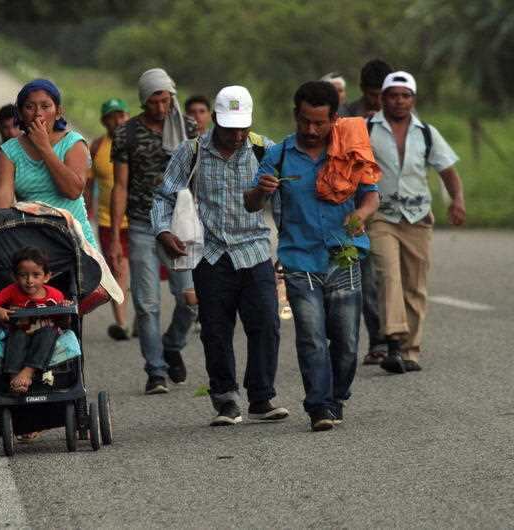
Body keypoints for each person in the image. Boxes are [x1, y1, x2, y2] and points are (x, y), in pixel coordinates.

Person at [247, 81, 381, 432]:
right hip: (299, 260)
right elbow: (251, 204)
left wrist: (360, 215)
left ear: (334, 119)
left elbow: (371, 195)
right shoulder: (278, 155)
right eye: (304, 121)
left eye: (319, 123)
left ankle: (336, 397)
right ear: (296, 115)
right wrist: (260, 191)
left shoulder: (349, 150)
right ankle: (318, 405)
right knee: (311, 336)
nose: (310, 129)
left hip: (343, 256)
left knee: (347, 341)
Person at [152, 85, 289, 426]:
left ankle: (261, 396)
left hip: (254, 250)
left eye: (243, 127)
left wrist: (287, 248)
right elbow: (165, 196)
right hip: (210, 255)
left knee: (266, 323)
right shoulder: (192, 151)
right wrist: (163, 231)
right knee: (215, 330)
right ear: (214, 119)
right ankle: (226, 399)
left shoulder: (265, 150)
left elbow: (284, 202)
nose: (237, 135)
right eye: (229, 128)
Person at [368, 71, 466, 374]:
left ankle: (410, 351)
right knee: (388, 276)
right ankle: (393, 342)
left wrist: (457, 201)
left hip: (417, 217)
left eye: (405, 96)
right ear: (383, 98)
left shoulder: (426, 133)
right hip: (381, 215)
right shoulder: (367, 128)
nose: (399, 101)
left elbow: (447, 171)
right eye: (393, 95)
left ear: (413, 99)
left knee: (415, 284)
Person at [108, 68, 198, 394]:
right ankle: (156, 370)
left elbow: (199, 175)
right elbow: (120, 186)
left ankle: (172, 344)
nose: (161, 108)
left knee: (190, 299)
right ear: (143, 101)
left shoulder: (188, 128)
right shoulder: (126, 134)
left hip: (180, 224)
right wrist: (115, 236)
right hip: (143, 225)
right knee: (147, 304)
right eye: (153, 102)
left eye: (165, 100)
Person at [0, 79, 95, 246]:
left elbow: (73, 191)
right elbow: (3, 196)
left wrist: (44, 148)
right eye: (29, 107)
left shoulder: (73, 143)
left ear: (58, 112)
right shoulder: (8, 151)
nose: (37, 114)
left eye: (45, 106)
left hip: (75, 241)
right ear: (20, 114)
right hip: (33, 242)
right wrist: (1, 235)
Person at [342, 59, 394, 365]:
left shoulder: (399, 114)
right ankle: (378, 339)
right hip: (359, 205)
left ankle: (396, 336)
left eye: (382, 94)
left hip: (392, 206)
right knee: (366, 277)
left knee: (391, 276)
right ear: (363, 90)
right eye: (373, 95)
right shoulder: (347, 114)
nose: (379, 101)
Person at [0, 247, 67, 394]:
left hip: (45, 334)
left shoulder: (56, 295)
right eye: (23, 275)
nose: (29, 281)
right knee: (18, 335)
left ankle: (27, 371)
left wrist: (65, 307)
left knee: (48, 332)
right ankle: (14, 377)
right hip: (20, 332)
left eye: (36, 275)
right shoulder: (12, 290)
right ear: (15, 277)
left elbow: (65, 322)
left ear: (46, 276)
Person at [84, 98, 132, 341]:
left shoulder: (137, 143)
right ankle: (122, 323)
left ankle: (143, 318)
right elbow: (88, 183)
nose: (118, 121)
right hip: (107, 221)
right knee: (117, 268)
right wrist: (86, 213)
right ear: (104, 121)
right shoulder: (97, 146)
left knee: (141, 271)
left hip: (138, 219)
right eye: (112, 117)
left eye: (121, 115)